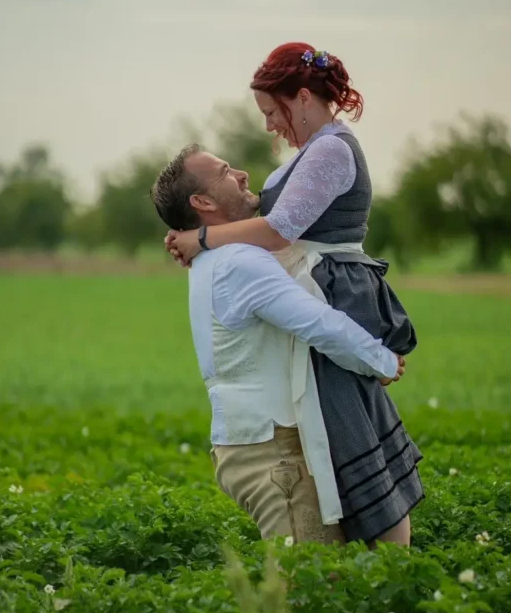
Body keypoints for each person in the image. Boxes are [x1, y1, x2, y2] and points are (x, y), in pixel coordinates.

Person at [164, 42, 423, 547]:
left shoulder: (329, 148)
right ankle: (379, 567)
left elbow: (280, 229)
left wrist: (202, 238)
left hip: (335, 291)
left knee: (354, 429)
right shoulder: (310, 153)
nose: (268, 126)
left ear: (302, 98)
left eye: (271, 111)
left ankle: (393, 561)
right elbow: (259, 213)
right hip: (320, 286)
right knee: (345, 431)